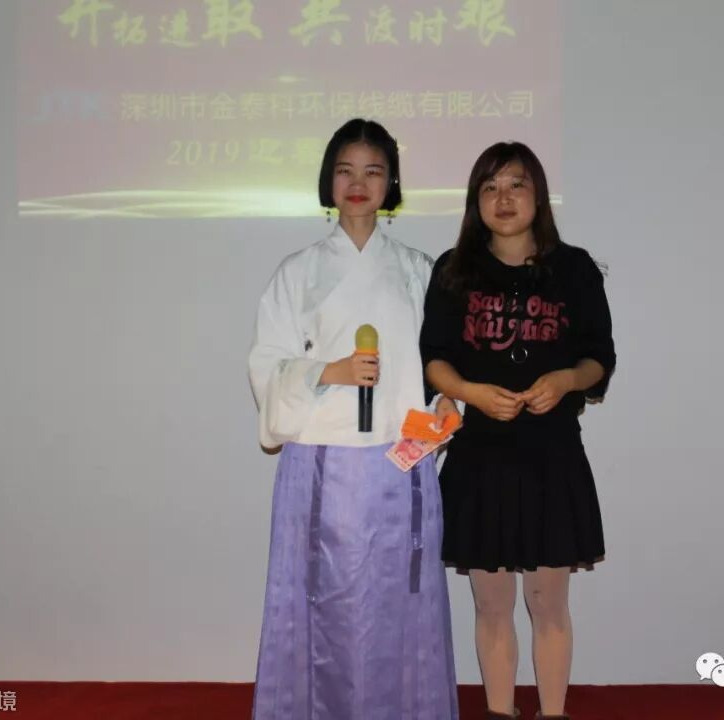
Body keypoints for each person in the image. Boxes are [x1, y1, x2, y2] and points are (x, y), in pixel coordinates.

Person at [248, 118, 459, 720]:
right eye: (346, 171)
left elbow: (443, 359)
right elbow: (267, 362)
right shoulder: (297, 272)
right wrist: (328, 371)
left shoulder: (420, 270)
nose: (359, 183)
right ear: (329, 180)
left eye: (373, 171)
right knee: (325, 602)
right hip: (321, 465)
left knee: (400, 603)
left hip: (400, 462)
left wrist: (448, 401)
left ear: (391, 182)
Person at [420, 142, 616, 720]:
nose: (503, 199)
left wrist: (566, 379)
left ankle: (553, 713)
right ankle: (500, 712)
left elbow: (599, 357)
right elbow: (434, 358)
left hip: (551, 455)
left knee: (547, 603)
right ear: (474, 201)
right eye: (490, 187)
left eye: (516, 185)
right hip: (480, 457)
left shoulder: (574, 268)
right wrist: (472, 392)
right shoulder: (452, 270)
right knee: (492, 605)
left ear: (539, 196)